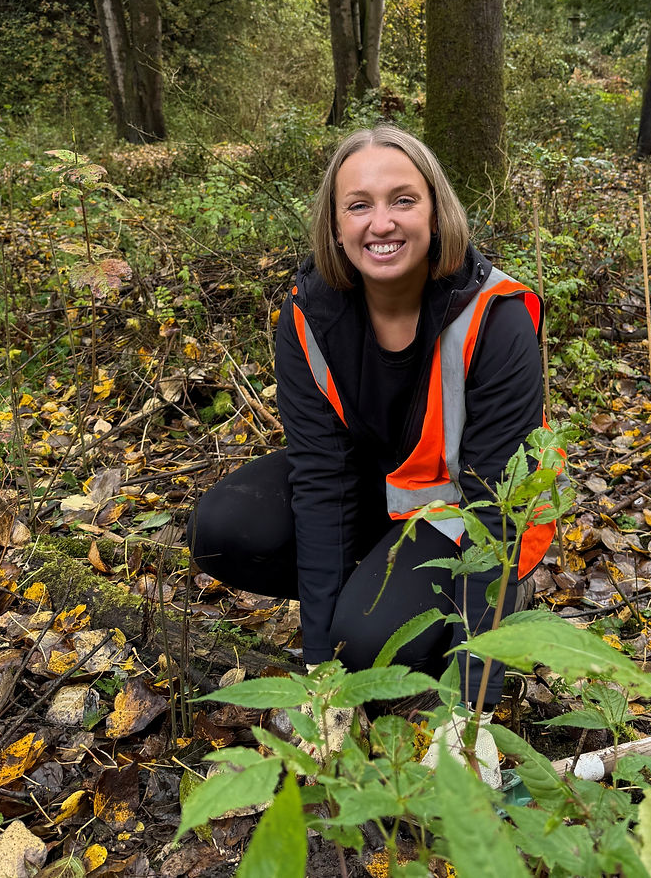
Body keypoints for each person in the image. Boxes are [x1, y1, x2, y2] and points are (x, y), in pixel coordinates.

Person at [188, 125, 549, 780]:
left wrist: (473, 708)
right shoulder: (308, 313)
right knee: (222, 530)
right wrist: (321, 675)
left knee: (371, 644)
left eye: (402, 200)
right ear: (334, 223)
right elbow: (320, 484)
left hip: (463, 512)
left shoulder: (498, 318)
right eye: (359, 204)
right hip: (375, 500)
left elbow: (499, 512)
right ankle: (369, 596)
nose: (381, 222)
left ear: (436, 212)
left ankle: (456, 622)